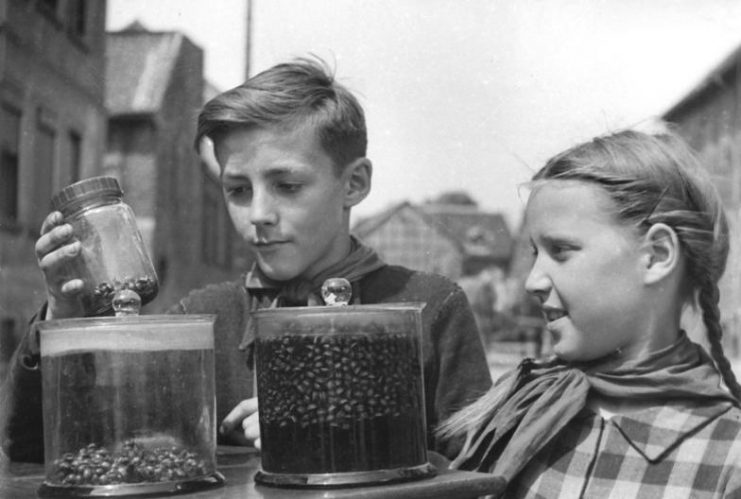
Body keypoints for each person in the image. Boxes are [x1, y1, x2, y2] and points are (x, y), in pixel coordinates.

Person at [1, 57, 492, 462]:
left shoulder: (432, 308)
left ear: (355, 183)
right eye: (237, 189)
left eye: (288, 186)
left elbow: (479, 472)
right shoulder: (203, 318)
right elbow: (36, 449)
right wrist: (62, 319)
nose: (258, 214)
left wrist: (347, 433)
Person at [438, 130, 741, 497]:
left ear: (657, 256)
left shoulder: (727, 454)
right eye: (535, 254)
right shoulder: (518, 412)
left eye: (561, 251)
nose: (533, 281)